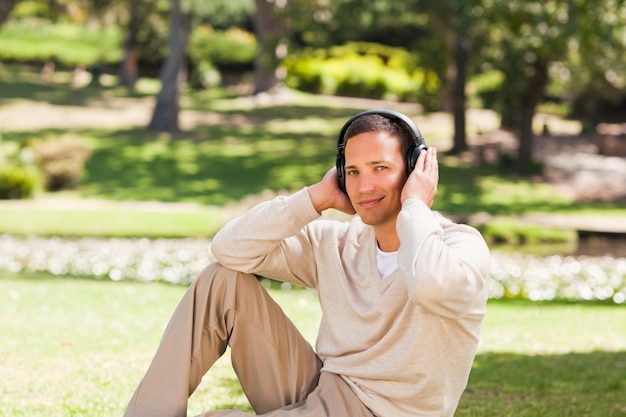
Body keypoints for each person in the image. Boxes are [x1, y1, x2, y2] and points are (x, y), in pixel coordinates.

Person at [122, 109, 490, 417]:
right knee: (220, 281)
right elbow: (229, 249)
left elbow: (427, 285)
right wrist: (316, 198)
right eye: (353, 171)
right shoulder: (337, 243)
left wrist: (415, 206)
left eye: (381, 168)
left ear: (415, 169)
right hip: (320, 394)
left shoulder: (460, 247)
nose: (364, 187)